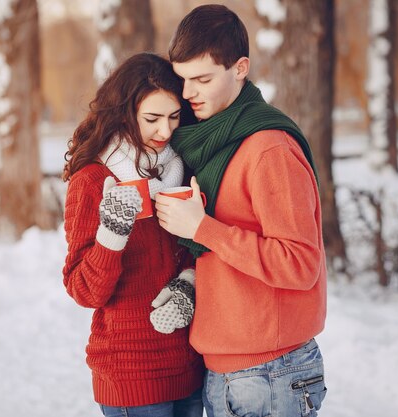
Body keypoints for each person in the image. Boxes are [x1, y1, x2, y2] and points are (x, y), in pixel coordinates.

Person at [152, 5, 328, 417]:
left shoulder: (268, 149)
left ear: (240, 68)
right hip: (224, 370)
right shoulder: (209, 145)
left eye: (202, 79)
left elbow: (301, 263)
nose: (189, 92)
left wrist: (204, 229)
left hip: (272, 372)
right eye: (182, 80)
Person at [62, 52, 204, 417]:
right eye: (152, 119)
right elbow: (84, 289)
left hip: (188, 368)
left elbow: (191, 251)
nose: (165, 131)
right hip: (131, 376)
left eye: (174, 117)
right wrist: (112, 233)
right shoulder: (93, 181)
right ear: (124, 114)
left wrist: (188, 282)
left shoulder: (179, 170)